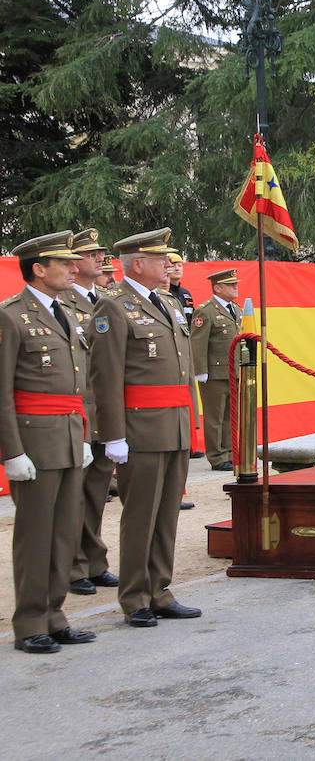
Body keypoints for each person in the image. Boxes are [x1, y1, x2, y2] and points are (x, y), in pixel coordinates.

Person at [89, 227, 201, 627]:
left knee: (167, 511)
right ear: (138, 264)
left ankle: (160, 589)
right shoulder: (114, 306)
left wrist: (191, 421)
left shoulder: (169, 302)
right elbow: (106, 376)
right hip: (139, 427)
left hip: (173, 423)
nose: (169, 265)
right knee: (141, 514)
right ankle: (135, 595)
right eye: (160, 259)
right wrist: (113, 434)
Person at [2, 231, 98, 653]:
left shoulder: (68, 313)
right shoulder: (10, 316)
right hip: (34, 440)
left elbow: (78, 384)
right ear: (38, 269)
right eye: (63, 263)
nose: (73, 268)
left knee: (64, 532)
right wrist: (11, 451)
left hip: (69, 434)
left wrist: (86, 434)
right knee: (35, 534)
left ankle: (55, 615)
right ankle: (29, 623)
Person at [62, 228, 119, 597]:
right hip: (77, 409)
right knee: (74, 494)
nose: (99, 258)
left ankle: (93, 559)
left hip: (104, 408)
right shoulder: (62, 304)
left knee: (97, 490)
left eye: (100, 253)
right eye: (90, 254)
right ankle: (72, 565)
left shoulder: (107, 299)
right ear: (72, 264)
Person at [190, 270, 242, 472]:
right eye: (230, 285)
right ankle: (216, 456)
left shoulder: (235, 309)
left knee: (231, 415)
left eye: (235, 284)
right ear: (217, 288)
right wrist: (201, 370)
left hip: (233, 371)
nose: (235, 287)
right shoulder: (206, 311)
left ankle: (229, 452)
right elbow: (198, 342)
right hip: (214, 373)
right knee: (215, 417)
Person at [165, 252, 195, 317]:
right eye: (173, 266)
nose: (177, 269)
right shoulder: (162, 292)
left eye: (179, 265)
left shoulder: (186, 294)